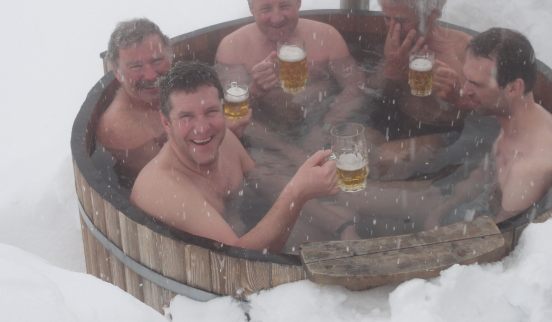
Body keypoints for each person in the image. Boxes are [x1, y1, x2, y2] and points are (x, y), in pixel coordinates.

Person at [130, 61, 358, 253]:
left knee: (346, 214)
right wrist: (297, 192)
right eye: (186, 117)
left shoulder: (224, 140)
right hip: (213, 275)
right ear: (166, 122)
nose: (202, 128)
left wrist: (342, 226)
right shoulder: (162, 187)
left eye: (211, 111)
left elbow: (268, 184)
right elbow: (237, 261)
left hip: (243, 238)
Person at [215, 0, 365, 171]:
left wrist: (326, 127)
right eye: (266, 9)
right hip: (269, 141)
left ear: (299, 1)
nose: (277, 18)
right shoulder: (234, 47)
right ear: (251, 8)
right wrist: (255, 92)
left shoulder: (326, 37)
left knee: (370, 152)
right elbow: (230, 117)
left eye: (284, 6)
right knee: (250, 171)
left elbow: (357, 87)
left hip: (323, 123)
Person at [424, 28, 552, 227]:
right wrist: (443, 209)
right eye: (467, 79)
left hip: (489, 220)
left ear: (513, 88)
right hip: (483, 202)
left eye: (476, 84)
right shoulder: (519, 118)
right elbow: (486, 170)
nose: (464, 90)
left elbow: (501, 239)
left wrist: (436, 232)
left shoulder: (528, 170)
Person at [368, 0, 476, 179]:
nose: (393, 27)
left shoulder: (464, 52)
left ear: (431, 15)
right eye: (387, 18)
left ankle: (422, 193)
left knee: (385, 158)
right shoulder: (395, 42)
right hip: (397, 120)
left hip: (444, 133)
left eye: (402, 20)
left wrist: (458, 98)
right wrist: (390, 70)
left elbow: (493, 111)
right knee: (346, 140)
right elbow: (370, 95)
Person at [96, 18, 172, 176]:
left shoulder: (177, 87)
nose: (151, 75)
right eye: (136, 66)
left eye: (157, 60)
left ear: (170, 56)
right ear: (117, 72)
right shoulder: (122, 127)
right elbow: (169, 178)